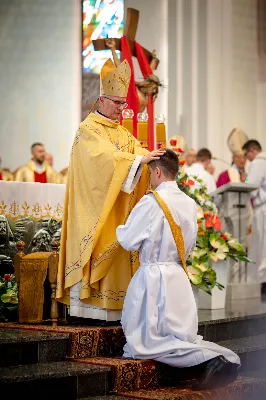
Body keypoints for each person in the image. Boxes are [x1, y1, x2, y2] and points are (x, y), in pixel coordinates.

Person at [116, 149, 240, 389]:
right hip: (178, 278)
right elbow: (190, 244)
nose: (151, 178)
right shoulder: (189, 202)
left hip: (154, 280)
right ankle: (219, 359)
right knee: (177, 336)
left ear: (158, 171)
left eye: (151, 173)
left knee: (148, 343)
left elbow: (128, 240)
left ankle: (209, 360)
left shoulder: (152, 201)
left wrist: (119, 227)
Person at [56, 58, 165, 322]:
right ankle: (90, 312)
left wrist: (146, 156)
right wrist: (138, 160)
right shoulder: (87, 130)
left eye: (123, 103)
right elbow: (103, 161)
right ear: (102, 99)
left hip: (120, 210)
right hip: (95, 214)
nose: (122, 109)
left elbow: (133, 150)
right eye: (117, 103)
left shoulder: (122, 133)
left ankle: (120, 311)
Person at [243, 140, 266, 289]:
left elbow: (250, 187)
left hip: (263, 208)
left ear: (252, 150)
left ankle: (263, 281)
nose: (246, 158)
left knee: (262, 246)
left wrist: (244, 180)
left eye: (246, 154)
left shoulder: (258, 162)